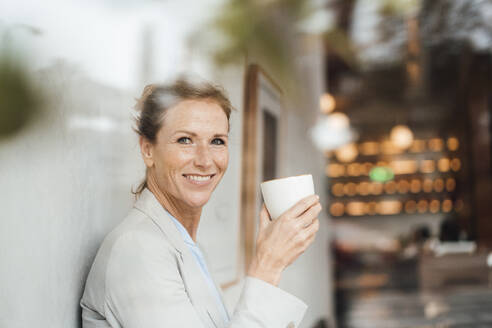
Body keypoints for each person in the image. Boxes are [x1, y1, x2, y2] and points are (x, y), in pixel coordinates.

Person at [80, 78, 322, 328]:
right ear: (148, 149)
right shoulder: (137, 250)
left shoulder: (187, 245)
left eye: (217, 141)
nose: (205, 161)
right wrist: (268, 265)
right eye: (185, 140)